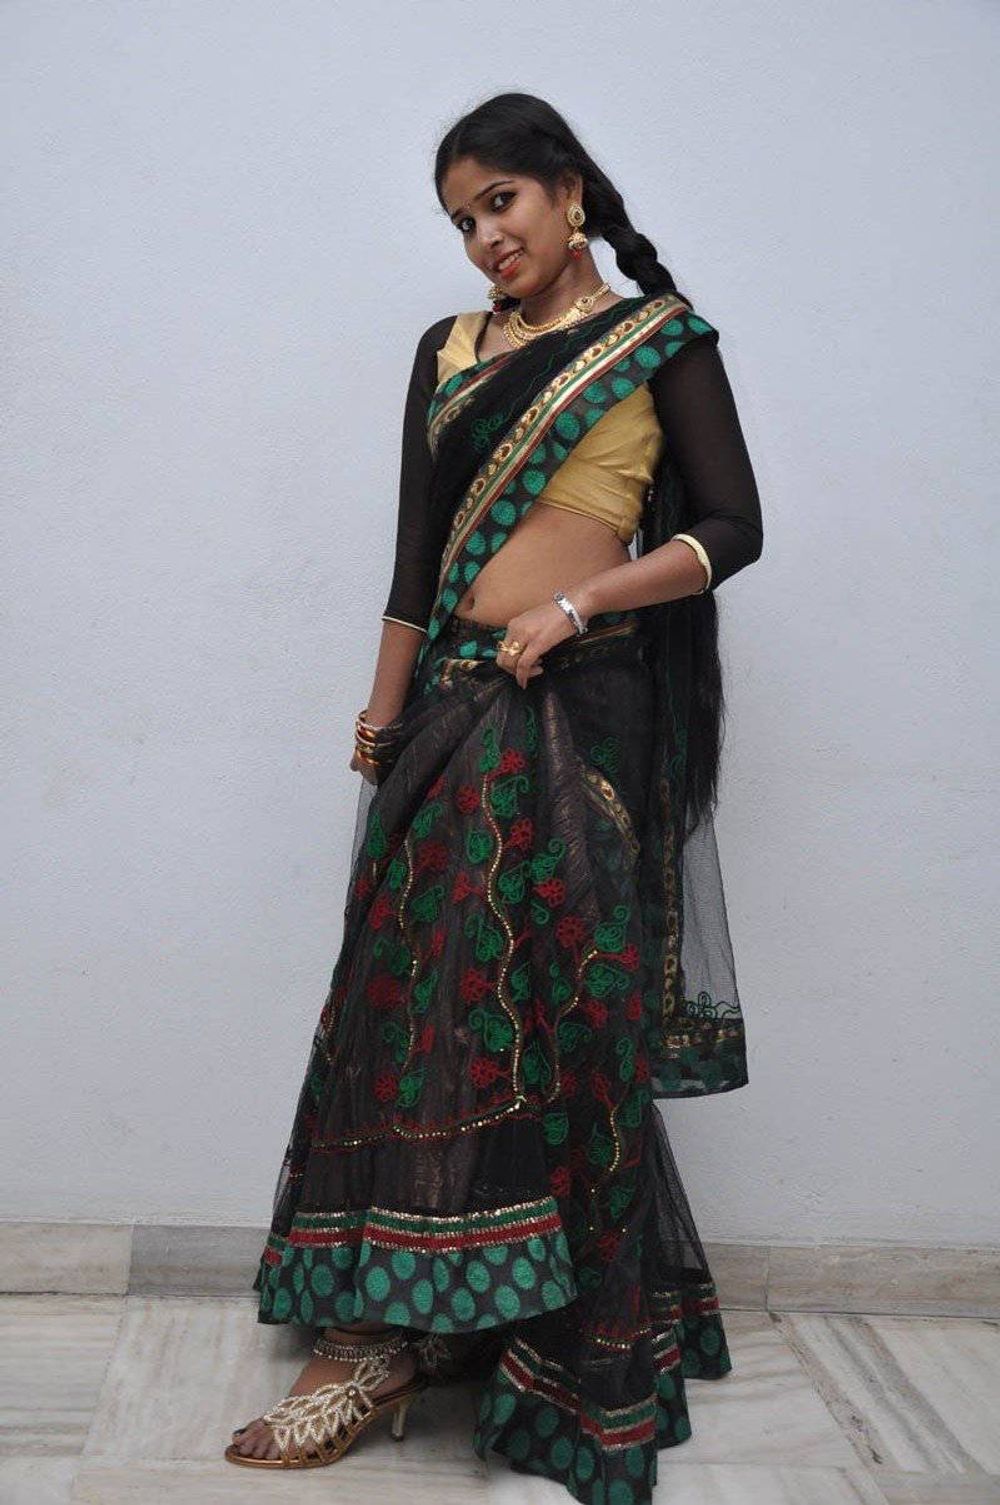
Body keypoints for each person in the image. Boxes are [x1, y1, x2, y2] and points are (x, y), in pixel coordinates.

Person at [225, 90, 763, 1505]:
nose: (482, 239)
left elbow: (734, 527)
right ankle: (384, 1329)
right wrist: (383, 713)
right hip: (454, 708)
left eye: (500, 204)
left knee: (557, 1010)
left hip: (582, 707)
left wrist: (582, 602)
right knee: (411, 1000)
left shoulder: (659, 342)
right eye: (462, 221)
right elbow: (417, 560)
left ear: (567, 190)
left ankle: (532, 1327)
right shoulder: (448, 352)